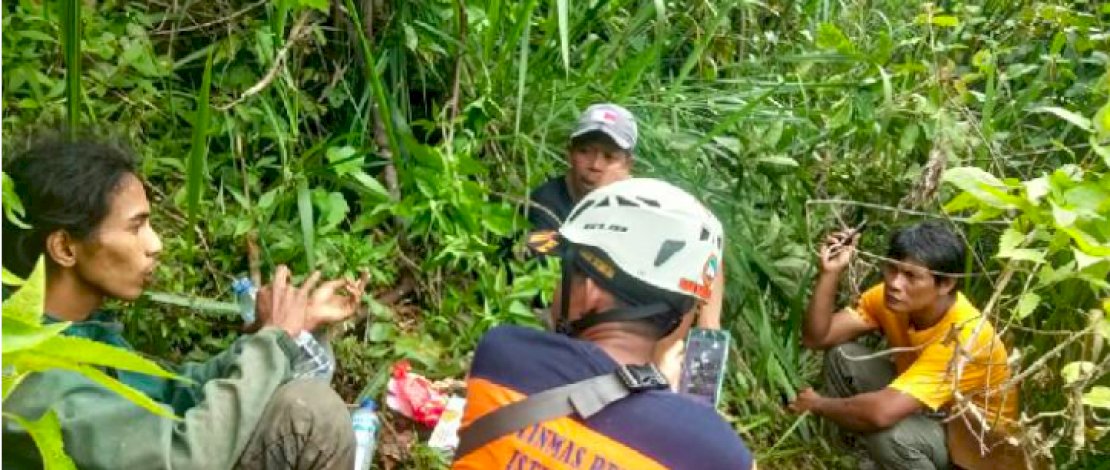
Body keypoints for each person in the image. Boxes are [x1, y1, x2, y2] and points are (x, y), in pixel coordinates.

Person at [2, 134, 364, 469]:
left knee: (301, 408)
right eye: (135, 227)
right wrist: (272, 342)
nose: (155, 243)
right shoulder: (27, 373)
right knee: (311, 416)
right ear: (65, 247)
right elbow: (182, 460)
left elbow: (177, 393)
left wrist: (275, 333)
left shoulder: (75, 333)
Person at [454, 178, 755, 469]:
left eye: (565, 272)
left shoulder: (503, 353)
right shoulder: (717, 453)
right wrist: (671, 393)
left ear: (589, 291)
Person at [790, 221, 1020, 469]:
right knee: (842, 356)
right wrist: (830, 272)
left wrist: (818, 404)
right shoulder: (889, 298)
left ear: (946, 284)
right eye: (892, 269)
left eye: (911, 276)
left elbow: (881, 413)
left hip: (973, 450)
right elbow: (818, 338)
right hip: (924, 410)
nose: (895, 283)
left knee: (889, 435)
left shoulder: (965, 336)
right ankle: (850, 457)